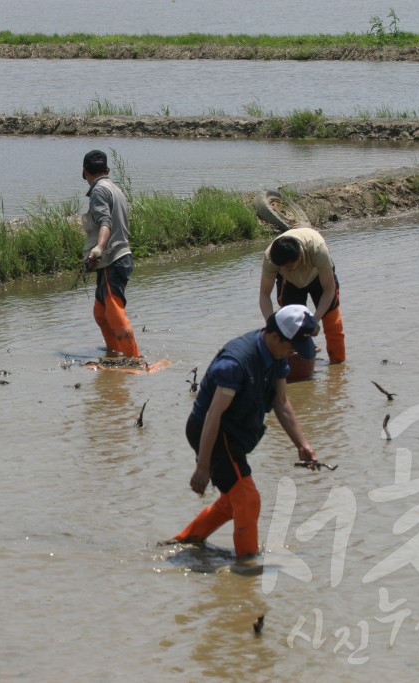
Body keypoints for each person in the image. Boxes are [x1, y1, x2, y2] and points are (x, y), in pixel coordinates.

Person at [173, 305, 319, 559]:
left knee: (234, 502)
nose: (293, 353)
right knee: (248, 499)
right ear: (274, 336)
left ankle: (187, 540)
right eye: (292, 346)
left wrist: (302, 444)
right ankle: (247, 567)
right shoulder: (235, 363)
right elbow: (213, 415)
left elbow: (281, 402)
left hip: (234, 433)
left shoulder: (277, 356)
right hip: (213, 432)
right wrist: (203, 466)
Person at [81, 150, 140, 358]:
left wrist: (98, 249)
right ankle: (114, 354)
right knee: (101, 313)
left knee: (114, 315)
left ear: (84, 173)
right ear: (107, 170)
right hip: (118, 259)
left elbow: (105, 223)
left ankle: (135, 361)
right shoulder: (115, 189)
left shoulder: (98, 191)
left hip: (112, 259)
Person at [259, 226, 345, 364]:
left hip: (318, 277)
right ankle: (300, 369)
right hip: (291, 284)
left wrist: (314, 321)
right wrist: (272, 325)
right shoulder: (270, 258)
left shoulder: (318, 249)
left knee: (332, 324)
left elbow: (329, 290)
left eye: (292, 267)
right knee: (291, 328)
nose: (290, 270)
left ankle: (337, 366)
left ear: (300, 254)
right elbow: (264, 294)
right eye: (285, 268)